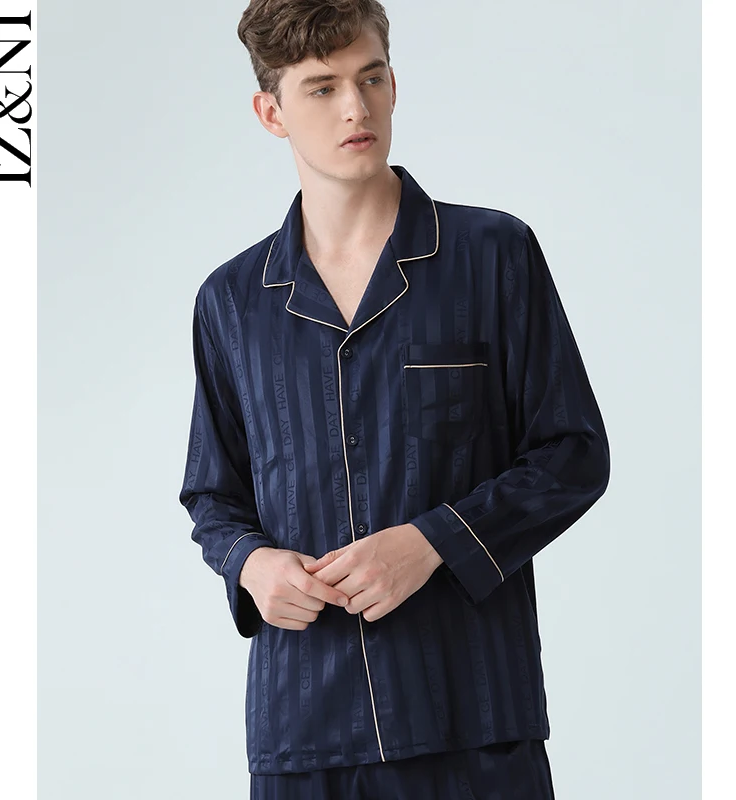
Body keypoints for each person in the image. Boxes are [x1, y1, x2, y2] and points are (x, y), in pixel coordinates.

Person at [178, 1, 610, 797]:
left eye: (370, 78)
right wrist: (251, 564)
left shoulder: (492, 255)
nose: (356, 107)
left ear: (394, 83)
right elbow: (213, 492)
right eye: (322, 88)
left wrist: (433, 542)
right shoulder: (232, 301)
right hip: (303, 731)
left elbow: (573, 453)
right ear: (271, 112)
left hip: (471, 718)